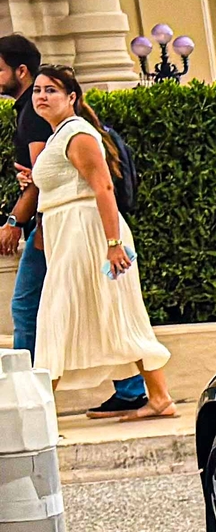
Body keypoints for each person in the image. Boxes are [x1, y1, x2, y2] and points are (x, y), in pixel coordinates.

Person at [0, 35, 146, 415]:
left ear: (20, 71)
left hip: (64, 227)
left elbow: (95, 185)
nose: (42, 96)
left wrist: (17, 221)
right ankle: (133, 391)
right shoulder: (36, 113)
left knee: (33, 308)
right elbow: (45, 175)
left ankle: (28, 401)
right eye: (41, 91)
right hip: (62, 225)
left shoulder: (38, 116)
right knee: (95, 305)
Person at [26, 67, 172, 417]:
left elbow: (103, 187)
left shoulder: (77, 133)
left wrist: (113, 242)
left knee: (56, 313)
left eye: (51, 90)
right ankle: (159, 398)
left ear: (71, 98)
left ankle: (35, 414)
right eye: (37, 90)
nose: (41, 96)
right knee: (117, 312)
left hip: (88, 232)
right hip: (71, 230)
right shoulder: (60, 136)